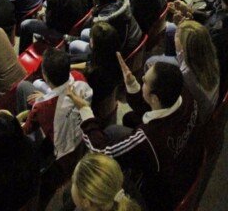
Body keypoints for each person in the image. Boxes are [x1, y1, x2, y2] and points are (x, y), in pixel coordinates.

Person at [67, 58, 200, 211]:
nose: (141, 78)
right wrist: (133, 84)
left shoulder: (147, 139)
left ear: (155, 97)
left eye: (144, 80)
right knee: (117, 128)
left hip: (159, 193)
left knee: (87, 186)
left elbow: (102, 152)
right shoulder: (183, 93)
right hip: (182, 163)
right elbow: (154, 109)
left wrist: (85, 110)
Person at [17, 48, 92, 162]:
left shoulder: (41, 107)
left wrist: (14, 119)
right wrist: (47, 97)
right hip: (83, 137)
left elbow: (26, 129)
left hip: (62, 152)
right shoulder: (79, 76)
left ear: (45, 76)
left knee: (23, 86)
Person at [147, 20, 219, 125]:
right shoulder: (210, 57)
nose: (175, 35)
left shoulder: (184, 76)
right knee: (171, 27)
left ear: (184, 47)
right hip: (207, 102)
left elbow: (170, 101)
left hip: (195, 118)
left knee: (151, 62)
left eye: (177, 36)